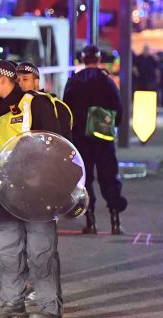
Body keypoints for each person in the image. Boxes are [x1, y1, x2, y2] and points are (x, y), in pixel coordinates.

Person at [0, 60, 64, 318]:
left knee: (40, 251)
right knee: (8, 251)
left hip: (36, 192)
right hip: (6, 193)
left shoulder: (36, 103)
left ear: (3, 79)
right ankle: (12, 302)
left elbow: (55, 145)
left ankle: (49, 306)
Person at [63, 44, 127, 235]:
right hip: (103, 136)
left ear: (82, 60)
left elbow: (66, 110)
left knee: (85, 179)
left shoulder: (74, 81)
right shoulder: (107, 81)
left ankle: (90, 221)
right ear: (99, 60)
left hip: (81, 137)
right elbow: (119, 108)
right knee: (109, 176)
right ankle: (115, 221)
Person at [16, 62, 73, 140]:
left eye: (25, 79)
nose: (20, 83)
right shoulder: (16, 105)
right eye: (17, 80)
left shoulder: (51, 104)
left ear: (36, 82)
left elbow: (60, 140)